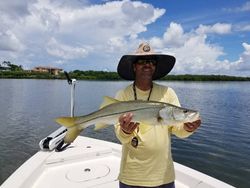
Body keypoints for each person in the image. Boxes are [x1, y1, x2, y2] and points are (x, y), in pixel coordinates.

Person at [114, 42, 201, 188]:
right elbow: (120, 136)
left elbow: (177, 130)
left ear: (155, 67)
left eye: (152, 61)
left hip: (163, 176)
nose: (147, 65)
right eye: (142, 61)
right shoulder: (123, 94)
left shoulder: (168, 93)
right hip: (131, 177)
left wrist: (188, 128)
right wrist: (125, 130)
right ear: (134, 66)